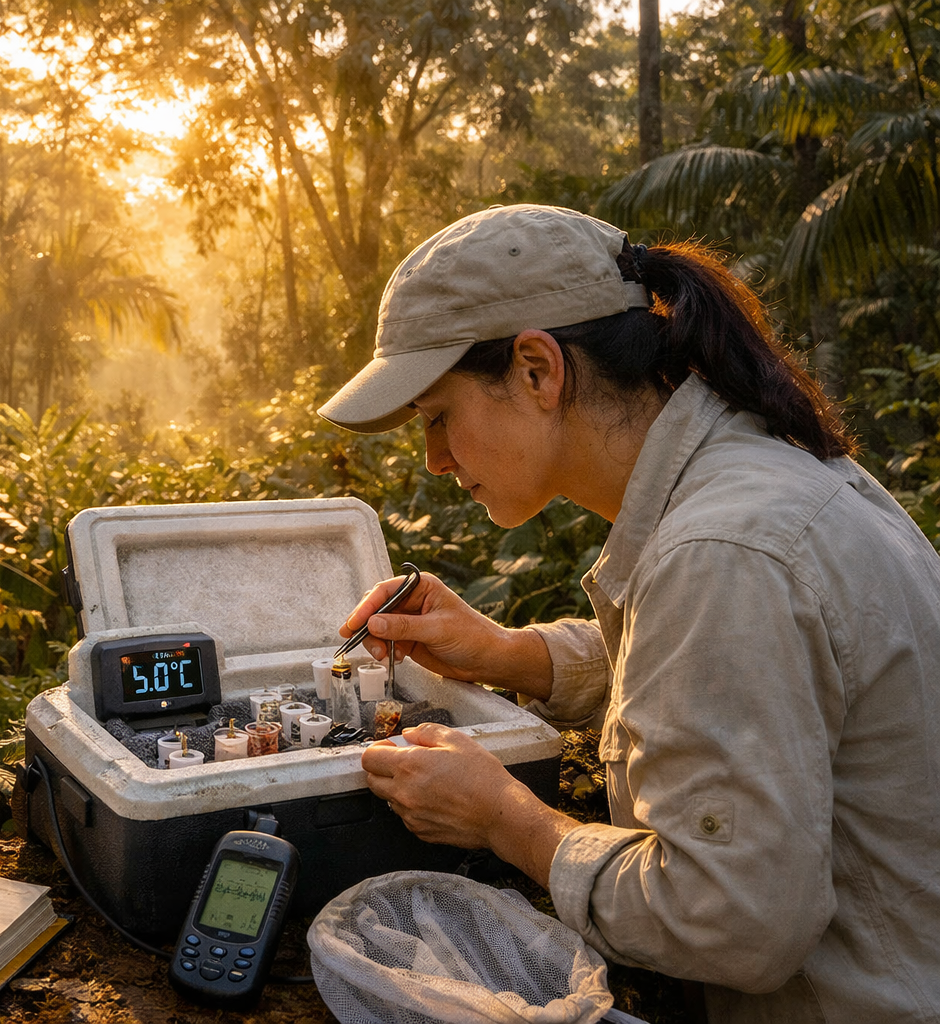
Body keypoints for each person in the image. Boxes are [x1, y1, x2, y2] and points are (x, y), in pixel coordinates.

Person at [321, 204, 940, 1020]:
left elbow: (733, 922)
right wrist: (509, 654)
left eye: (439, 417)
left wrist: (508, 819)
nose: (435, 460)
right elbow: (744, 681)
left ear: (538, 370)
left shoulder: (721, 551)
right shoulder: (767, 476)